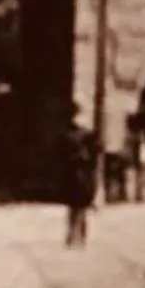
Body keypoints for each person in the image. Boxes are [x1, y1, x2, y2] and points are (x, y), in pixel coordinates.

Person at [60, 105, 97, 248]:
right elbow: (94, 156)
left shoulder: (68, 135)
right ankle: (79, 237)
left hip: (73, 174)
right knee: (81, 208)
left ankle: (72, 236)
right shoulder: (86, 135)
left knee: (74, 208)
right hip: (82, 174)